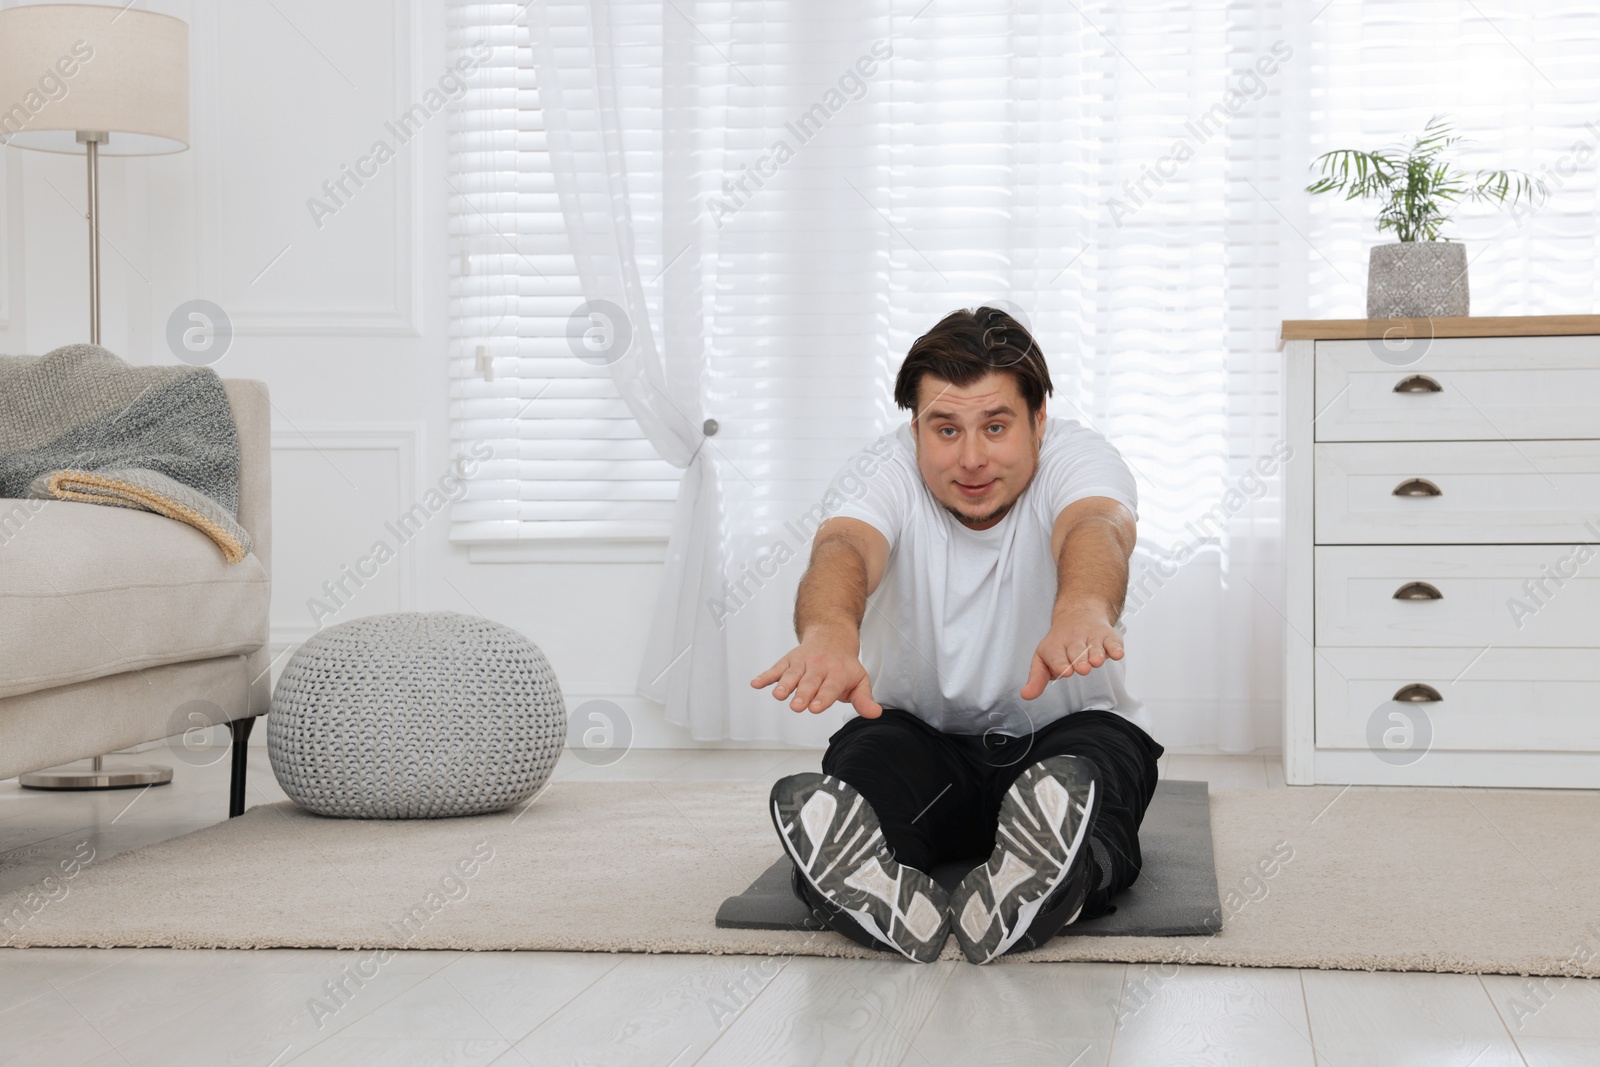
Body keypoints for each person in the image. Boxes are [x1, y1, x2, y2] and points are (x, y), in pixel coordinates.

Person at [752, 306, 1164, 964]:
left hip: (1060, 732)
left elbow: (1099, 527)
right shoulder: (882, 469)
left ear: (1038, 421)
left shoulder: (1080, 458)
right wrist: (830, 631)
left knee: (1098, 770)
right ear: (915, 428)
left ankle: (1055, 877)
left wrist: (1082, 608)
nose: (971, 458)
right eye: (945, 429)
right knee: (865, 766)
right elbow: (845, 547)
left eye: (995, 426)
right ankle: (868, 884)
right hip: (922, 737)